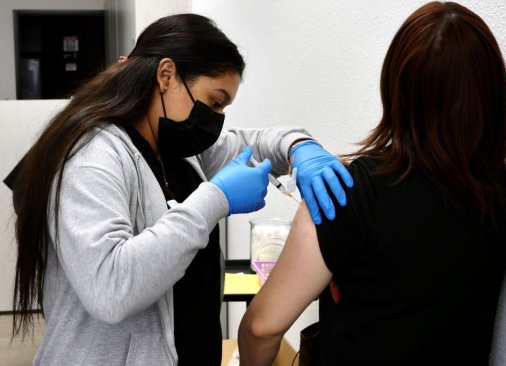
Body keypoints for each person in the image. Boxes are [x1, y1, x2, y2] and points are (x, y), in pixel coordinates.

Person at [8, 14, 354, 366]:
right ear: (166, 75)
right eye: (214, 102)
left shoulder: (176, 148)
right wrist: (214, 200)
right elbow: (109, 289)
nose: (215, 119)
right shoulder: (92, 156)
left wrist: (299, 147)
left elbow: (260, 143)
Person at [238, 2, 506, 365]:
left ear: (394, 89)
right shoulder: (494, 188)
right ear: (492, 95)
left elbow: (261, 328)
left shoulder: (346, 193)